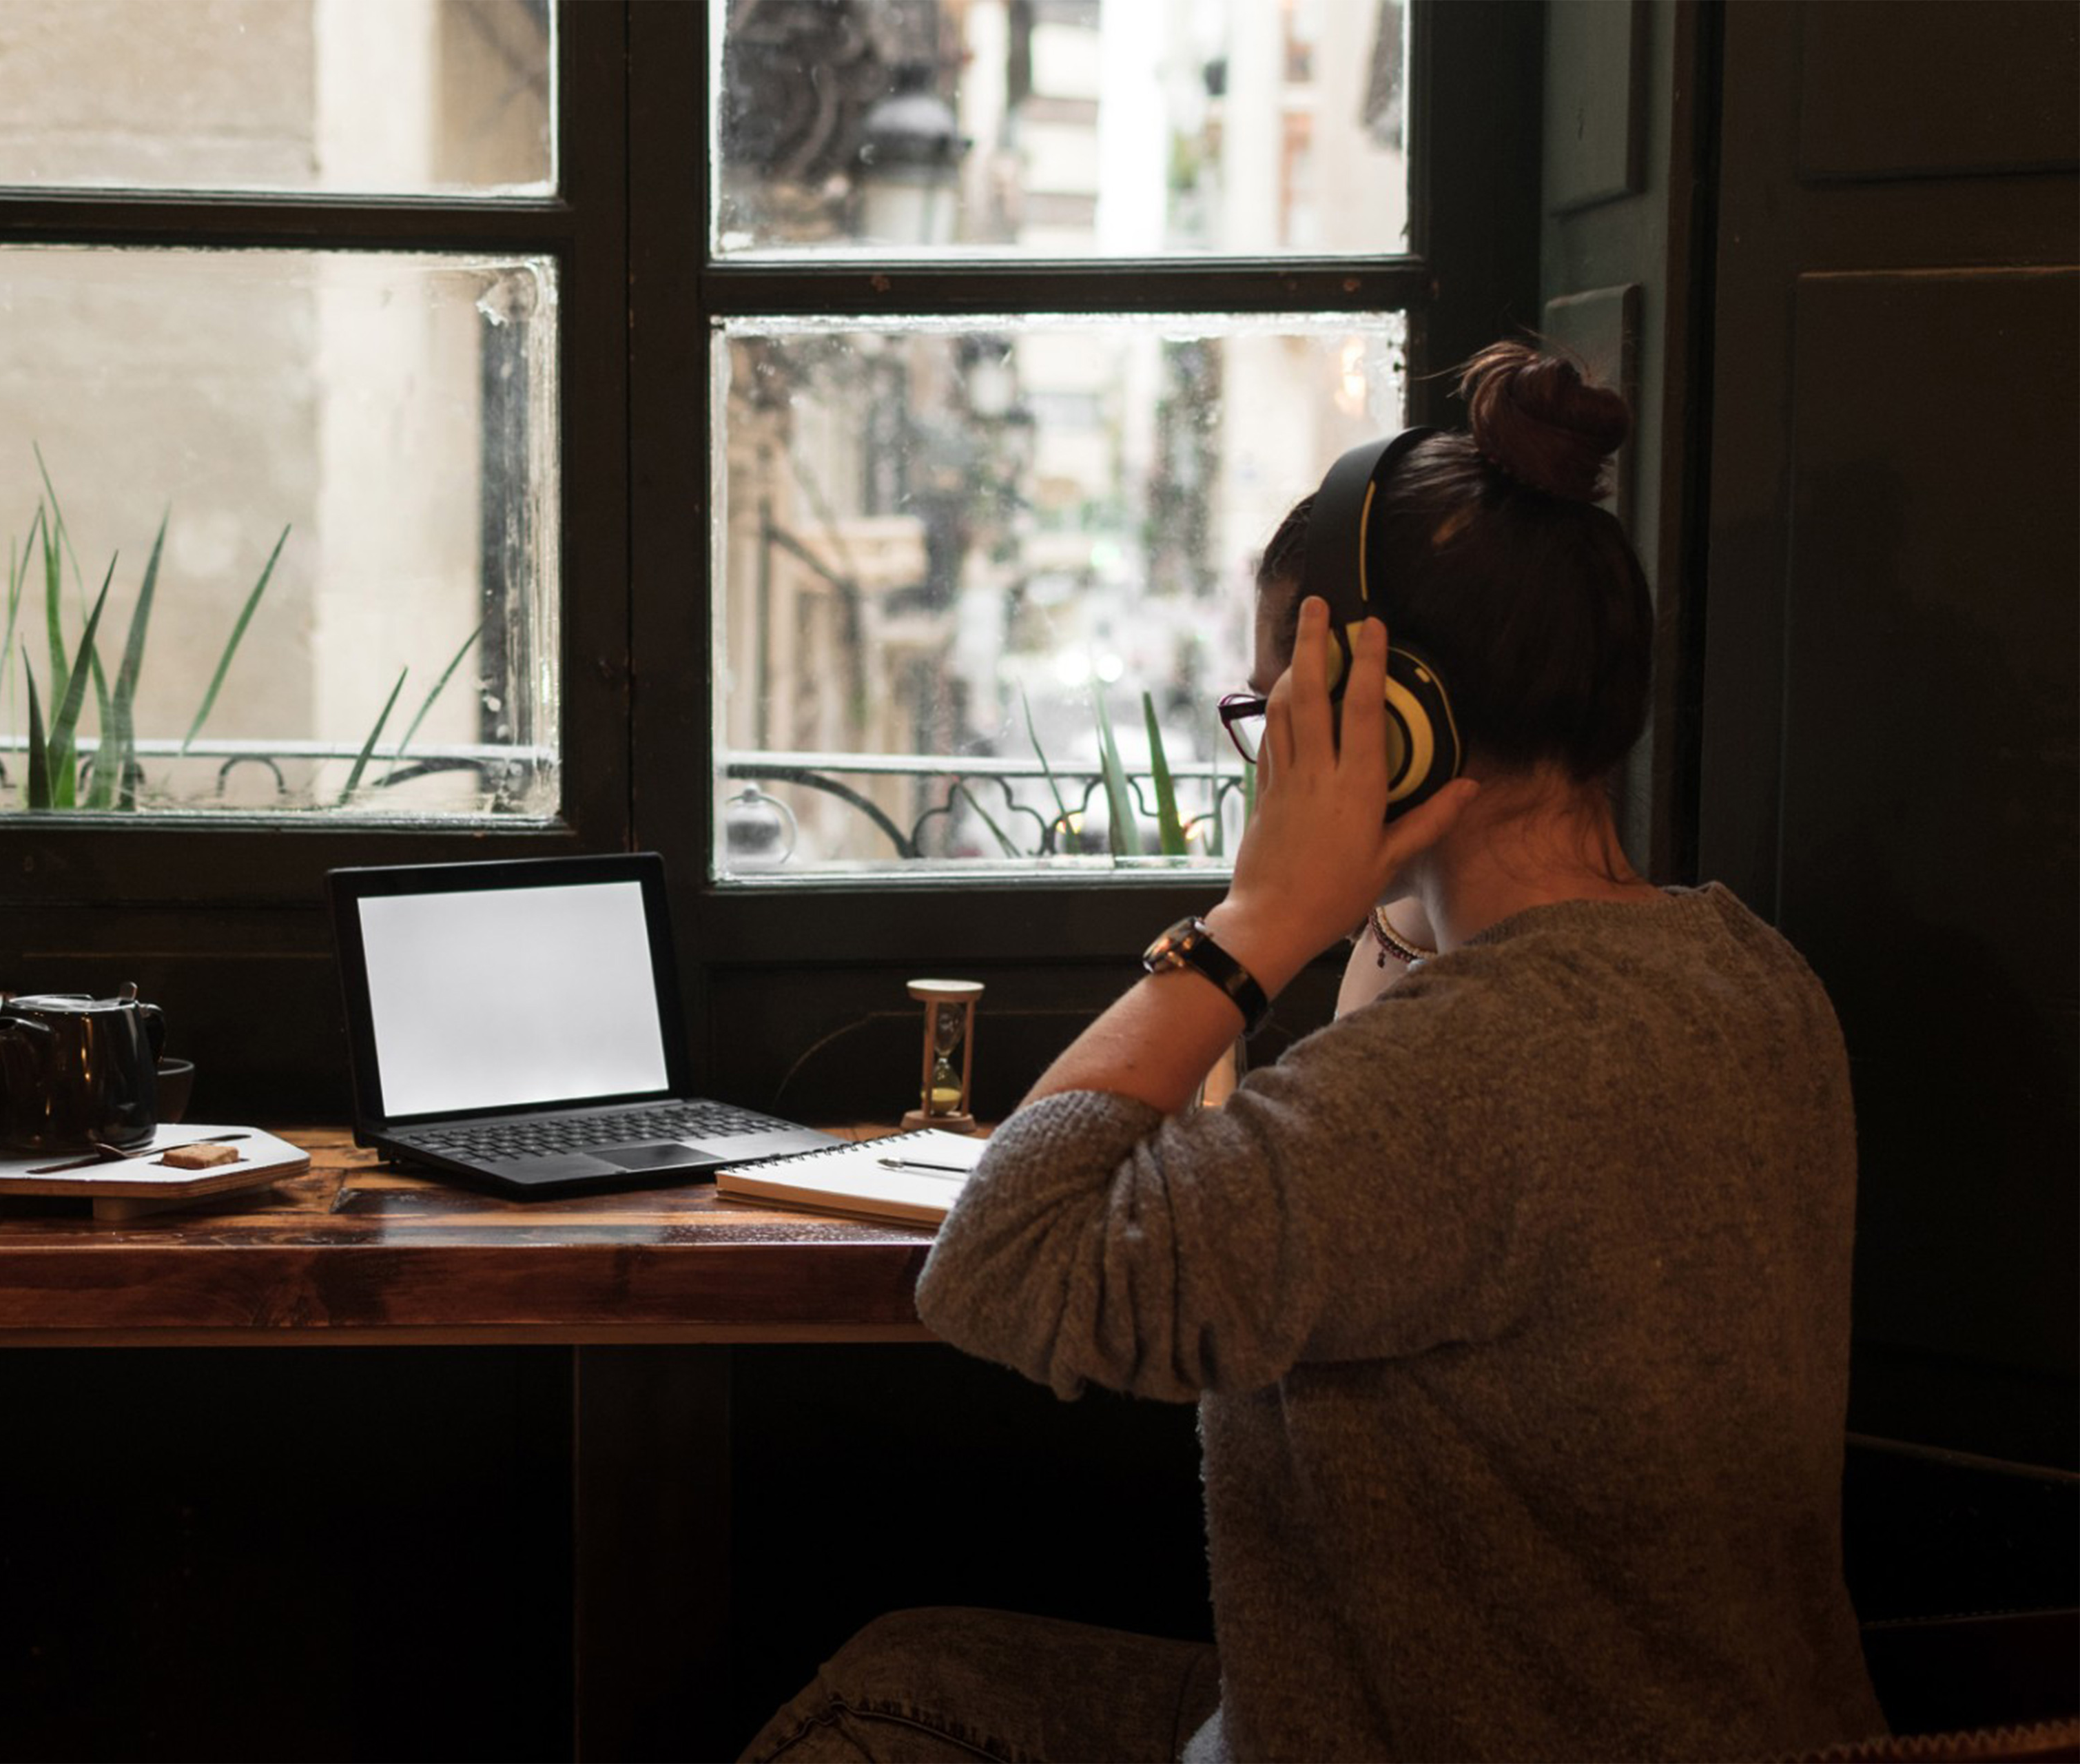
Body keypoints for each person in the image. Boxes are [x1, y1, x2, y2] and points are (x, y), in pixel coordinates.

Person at [741, 342, 1886, 1763]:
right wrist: (1378, 896)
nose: (1264, 757)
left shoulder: (1469, 1076)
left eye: (1270, 713)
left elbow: (1004, 1264)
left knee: (871, 1714)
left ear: (1386, 726)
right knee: (910, 1667)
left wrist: (1261, 918)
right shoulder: (1747, 975)